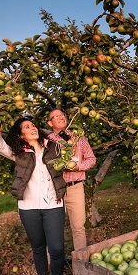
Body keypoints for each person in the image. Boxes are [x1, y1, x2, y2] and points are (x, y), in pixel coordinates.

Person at [0, 116, 69, 275]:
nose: (32, 128)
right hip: (29, 207)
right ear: (20, 134)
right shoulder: (19, 153)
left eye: (33, 125)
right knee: (39, 248)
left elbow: (70, 155)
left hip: (53, 205)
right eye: (27, 127)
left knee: (57, 249)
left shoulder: (52, 146)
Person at [46, 108, 97, 254]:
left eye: (62, 114)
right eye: (56, 116)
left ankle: (80, 261)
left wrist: (78, 167)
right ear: (50, 123)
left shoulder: (79, 138)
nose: (61, 117)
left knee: (78, 227)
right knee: (52, 228)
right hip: (54, 188)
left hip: (75, 187)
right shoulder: (48, 141)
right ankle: (54, 262)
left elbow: (92, 159)